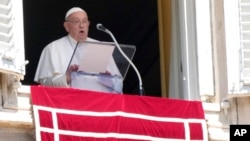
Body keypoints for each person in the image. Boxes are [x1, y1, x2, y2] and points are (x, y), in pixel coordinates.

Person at [34, 7, 123, 93]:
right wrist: (67, 77)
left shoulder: (100, 47)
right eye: (76, 21)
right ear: (66, 26)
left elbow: (119, 84)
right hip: (69, 104)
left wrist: (110, 81)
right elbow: (44, 85)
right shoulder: (53, 48)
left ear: (88, 25)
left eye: (84, 21)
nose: (81, 25)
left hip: (99, 104)